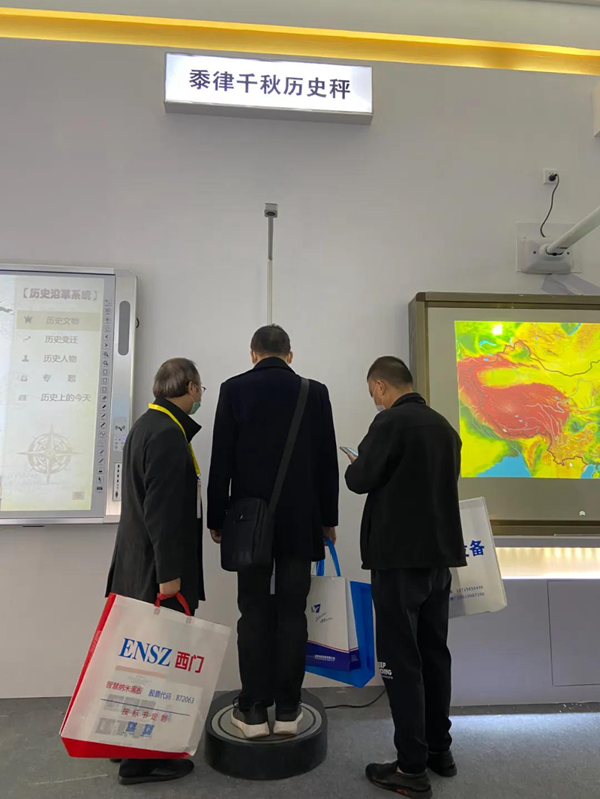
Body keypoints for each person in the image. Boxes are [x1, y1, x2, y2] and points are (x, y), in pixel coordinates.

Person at [208, 325, 339, 739]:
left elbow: (221, 459)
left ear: (253, 354)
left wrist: (216, 517)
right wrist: (328, 519)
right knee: (292, 612)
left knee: (253, 611)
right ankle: (287, 710)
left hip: (249, 523)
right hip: (301, 522)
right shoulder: (314, 393)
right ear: (290, 354)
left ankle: (252, 710)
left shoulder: (233, 389)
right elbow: (326, 462)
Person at [345, 356, 465, 799]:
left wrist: (356, 462)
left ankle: (411, 768)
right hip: (439, 562)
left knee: (401, 661)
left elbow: (359, 479)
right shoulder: (445, 428)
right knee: (434, 655)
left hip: (397, 561)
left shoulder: (389, 423)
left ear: (380, 385)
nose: (374, 400)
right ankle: (439, 751)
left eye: (372, 392)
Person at [106, 357, 205, 786]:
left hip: (135, 565)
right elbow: (160, 512)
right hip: (156, 573)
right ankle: (139, 761)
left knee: (136, 662)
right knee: (156, 665)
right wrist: (170, 575)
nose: (201, 395)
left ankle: (124, 744)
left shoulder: (147, 425)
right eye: (200, 388)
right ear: (191, 388)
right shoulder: (166, 433)